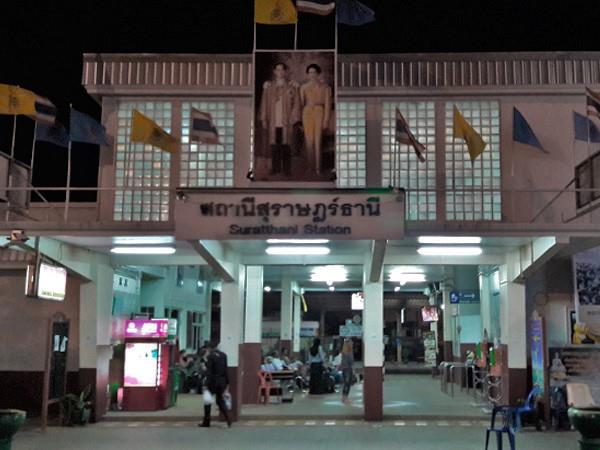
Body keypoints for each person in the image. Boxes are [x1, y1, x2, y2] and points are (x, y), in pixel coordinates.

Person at [259, 62, 301, 176]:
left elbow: (296, 103)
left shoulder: (291, 87)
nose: (280, 72)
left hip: (286, 121)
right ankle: (276, 168)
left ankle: (287, 170)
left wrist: (294, 117)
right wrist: (264, 118)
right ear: (274, 72)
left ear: (285, 72)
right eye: (278, 70)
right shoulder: (269, 87)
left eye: (282, 70)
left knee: (286, 146)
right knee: (274, 146)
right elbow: (264, 103)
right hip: (273, 120)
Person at [300, 63, 332, 175]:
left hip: (319, 111)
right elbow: (301, 103)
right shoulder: (303, 87)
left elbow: (328, 104)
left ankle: (318, 168)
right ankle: (310, 167)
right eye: (310, 72)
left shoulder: (325, 87)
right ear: (307, 74)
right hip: (307, 112)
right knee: (309, 141)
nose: (312, 75)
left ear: (318, 74)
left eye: (314, 72)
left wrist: (326, 120)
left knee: (318, 140)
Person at [199, 340, 231, 428]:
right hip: (222, 382)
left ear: (209, 348)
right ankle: (228, 419)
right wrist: (227, 383)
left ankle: (207, 421)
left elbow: (209, 372)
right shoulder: (224, 355)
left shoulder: (211, 357)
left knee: (207, 401)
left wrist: (205, 384)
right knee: (220, 401)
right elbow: (225, 370)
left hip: (212, 382)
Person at [340, 339, 354, 404]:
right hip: (347, 369)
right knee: (347, 384)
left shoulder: (344, 352)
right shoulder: (348, 352)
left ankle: (344, 398)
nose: (352, 344)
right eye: (351, 343)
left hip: (345, 369)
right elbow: (351, 361)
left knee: (346, 383)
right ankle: (345, 398)